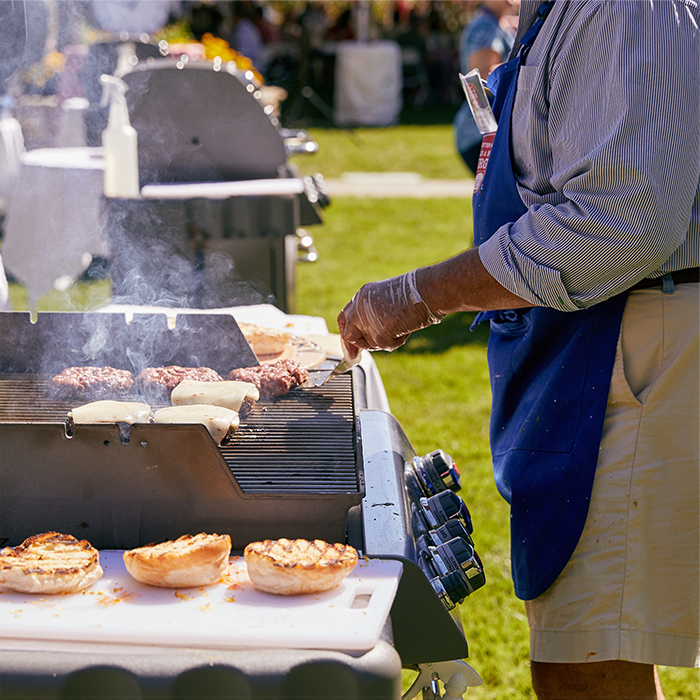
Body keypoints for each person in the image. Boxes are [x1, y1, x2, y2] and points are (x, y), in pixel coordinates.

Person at [338, 0, 699, 697]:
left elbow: (620, 223)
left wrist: (420, 294)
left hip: (637, 340)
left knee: (584, 668)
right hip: (592, 337)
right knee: (592, 657)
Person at [453, 0, 517, 174]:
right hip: (482, 134)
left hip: (487, 132)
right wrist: (525, 72)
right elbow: (482, 78)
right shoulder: (486, 27)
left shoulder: (495, 23)